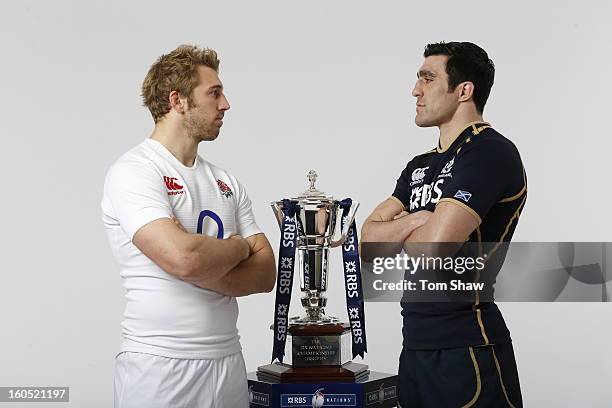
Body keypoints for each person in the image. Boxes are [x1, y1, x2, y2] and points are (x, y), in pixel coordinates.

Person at [101, 44, 276, 408]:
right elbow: (185, 259)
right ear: (177, 101)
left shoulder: (226, 181)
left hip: (227, 361)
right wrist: (240, 248)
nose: (225, 104)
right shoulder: (135, 171)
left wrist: (200, 259)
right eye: (214, 93)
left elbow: (265, 274)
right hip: (160, 365)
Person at [361, 42, 525, 407]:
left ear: (464, 90)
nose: (415, 90)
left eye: (428, 78)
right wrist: (422, 218)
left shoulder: (489, 151)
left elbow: (435, 249)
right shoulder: (419, 165)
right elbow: (368, 244)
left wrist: (403, 228)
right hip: (416, 346)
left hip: (468, 349)